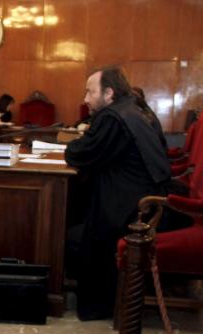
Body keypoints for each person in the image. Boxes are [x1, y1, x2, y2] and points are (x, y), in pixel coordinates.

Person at [65, 66, 171, 321]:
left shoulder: (113, 117)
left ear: (109, 93)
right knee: (78, 215)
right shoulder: (133, 109)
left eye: (90, 92)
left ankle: (102, 303)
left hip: (135, 210)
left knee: (74, 234)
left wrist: (74, 144)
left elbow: (80, 153)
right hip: (147, 199)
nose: (86, 99)